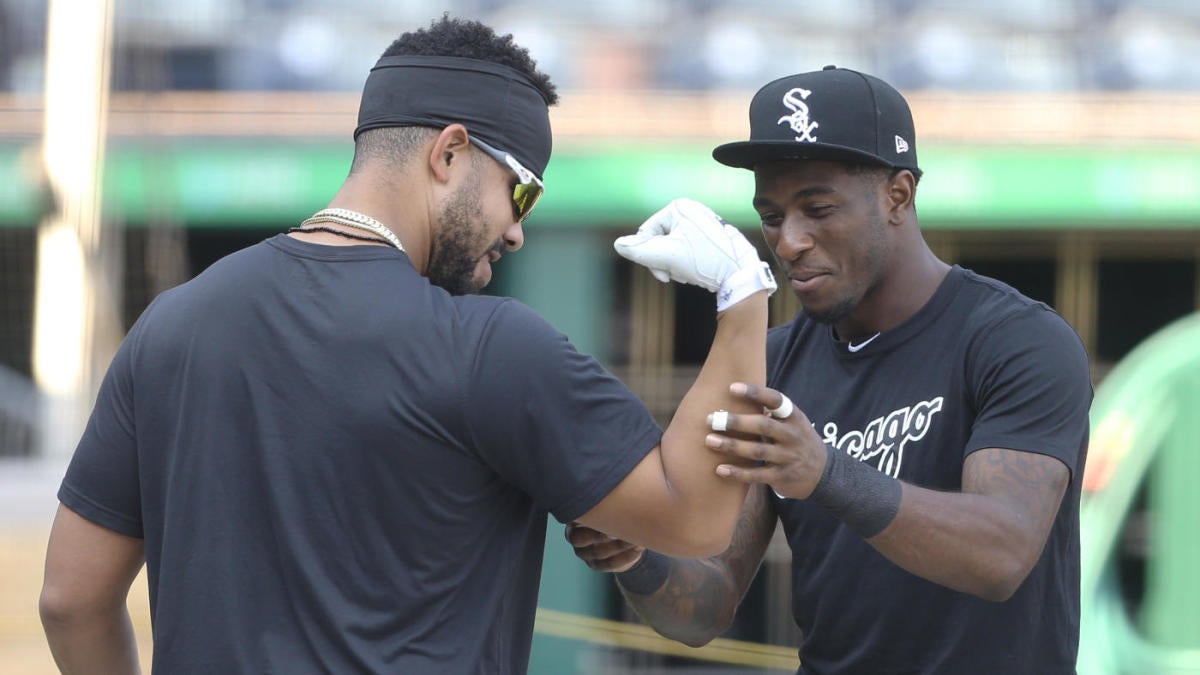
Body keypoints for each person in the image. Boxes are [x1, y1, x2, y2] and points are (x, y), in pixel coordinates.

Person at [38, 16, 780, 674]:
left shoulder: (171, 324)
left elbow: (71, 600)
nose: (517, 230)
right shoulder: (488, 345)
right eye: (521, 193)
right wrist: (743, 296)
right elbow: (696, 518)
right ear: (450, 153)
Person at [567, 65, 1093, 674]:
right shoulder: (776, 359)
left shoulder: (1016, 340)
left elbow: (1001, 554)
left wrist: (824, 473)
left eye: (817, 209)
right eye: (771, 216)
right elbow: (706, 607)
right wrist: (634, 555)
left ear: (898, 195)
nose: (789, 241)